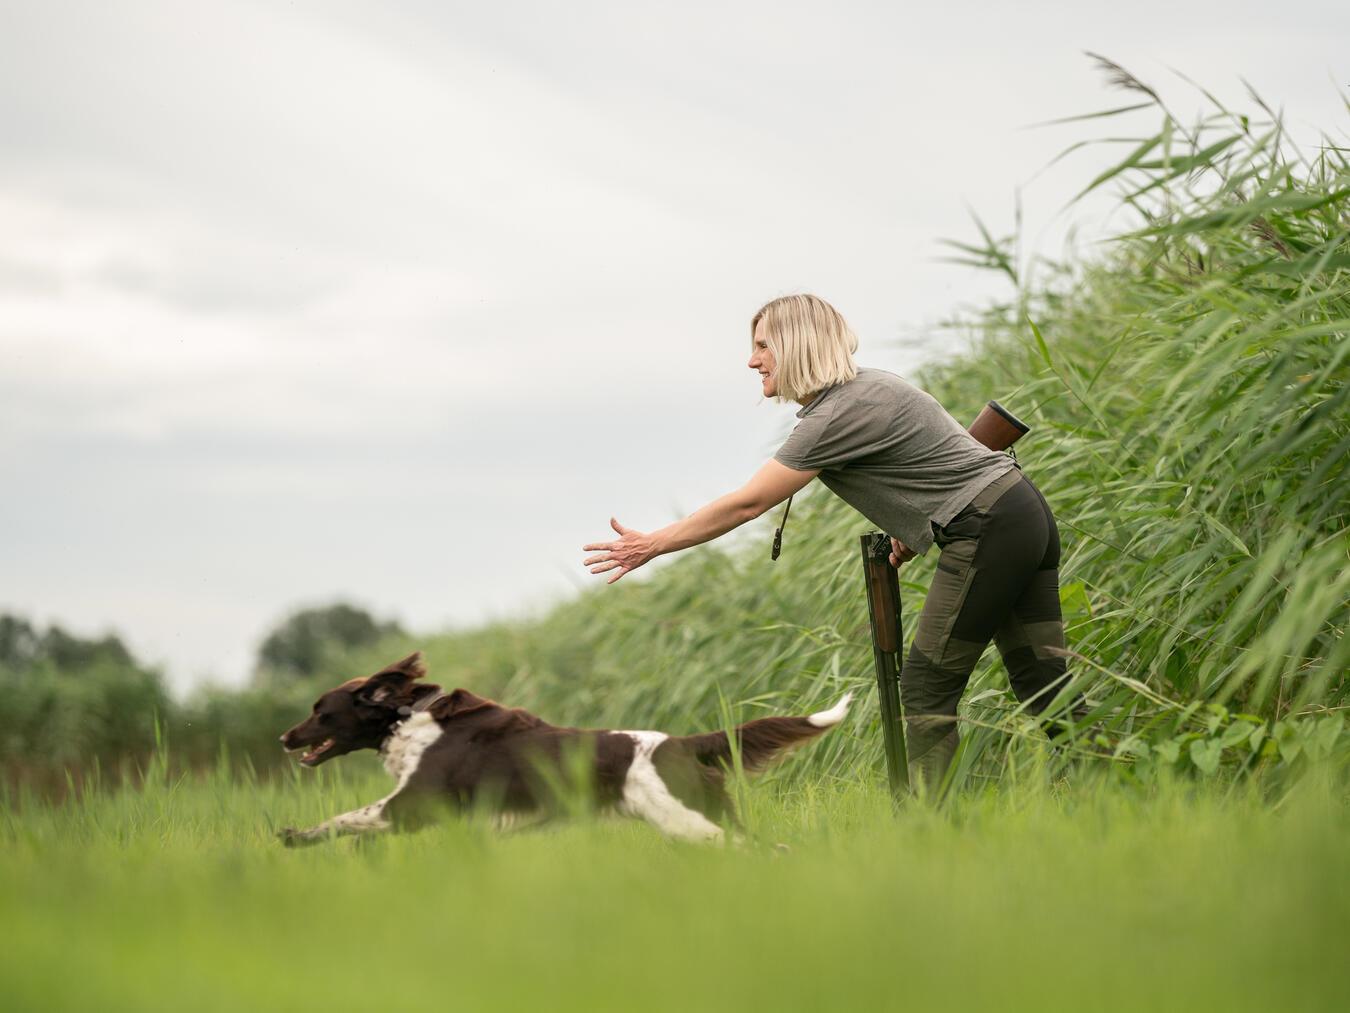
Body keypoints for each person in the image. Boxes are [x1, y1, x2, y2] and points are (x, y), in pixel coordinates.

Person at [583, 293, 1073, 791]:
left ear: (796, 344)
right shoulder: (872, 387)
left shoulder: (835, 414)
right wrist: (918, 525)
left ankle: (929, 831)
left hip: (988, 526)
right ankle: (1112, 780)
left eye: (762, 346)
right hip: (1020, 512)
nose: (752, 361)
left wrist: (652, 544)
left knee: (927, 689)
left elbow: (747, 505)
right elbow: (948, 464)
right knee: (1043, 679)